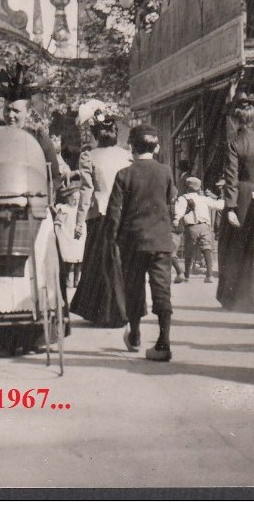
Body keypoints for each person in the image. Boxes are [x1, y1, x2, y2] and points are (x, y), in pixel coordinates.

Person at [0, 63, 64, 355]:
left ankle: (36, 336)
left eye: (16, 110)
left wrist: (45, 198)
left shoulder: (39, 138)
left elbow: (53, 175)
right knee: (6, 277)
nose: (11, 115)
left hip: (35, 211)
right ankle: (7, 338)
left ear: (28, 112)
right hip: (3, 214)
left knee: (39, 273)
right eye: (7, 109)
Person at [100, 124, 178, 362]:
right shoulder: (165, 172)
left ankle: (134, 334)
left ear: (131, 147)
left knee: (134, 289)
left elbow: (114, 212)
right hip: (161, 241)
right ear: (156, 147)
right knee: (162, 290)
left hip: (133, 241)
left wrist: (112, 239)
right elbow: (171, 203)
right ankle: (163, 343)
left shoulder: (124, 174)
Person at [70, 114, 132, 327]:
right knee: (120, 261)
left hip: (101, 214)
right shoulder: (127, 156)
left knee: (101, 263)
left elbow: (86, 191)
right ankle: (123, 310)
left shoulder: (89, 156)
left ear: (96, 134)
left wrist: (79, 221)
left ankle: (104, 312)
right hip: (124, 214)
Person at [216, 90, 254, 312]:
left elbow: (231, 177)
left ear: (234, 119)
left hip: (240, 197)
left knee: (232, 247)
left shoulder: (234, 143)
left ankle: (234, 298)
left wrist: (230, 206)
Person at [173, 177, 224, 283]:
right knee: (207, 249)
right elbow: (218, 205)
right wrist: (223, 198)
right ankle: (209, 275)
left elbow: (179, 211)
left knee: (189, 251)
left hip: (191, 227)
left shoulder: (183, 198)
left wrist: (176, 220)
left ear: (186, 188)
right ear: (199, 188)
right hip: (205, 226)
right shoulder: (203, 198)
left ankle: (186, 275)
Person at [54, 175, 86, 306]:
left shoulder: (80, 210)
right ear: (68, 198)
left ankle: (77, 279)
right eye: (73, 199)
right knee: (67, 257)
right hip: (67, 234)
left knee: (78, 256)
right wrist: (57, 232)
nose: (75, 202)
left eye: (78, 200)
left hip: (78, 235)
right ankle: (67, 277)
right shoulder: (64, 208)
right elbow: (58, 222)